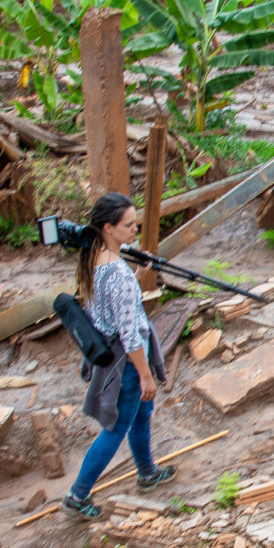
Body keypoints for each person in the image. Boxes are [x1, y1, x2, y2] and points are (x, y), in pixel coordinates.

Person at [61, 193, 173, 519]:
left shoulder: (95, 257)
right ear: (108, 228)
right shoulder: (118, 274)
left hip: (113, 355)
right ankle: (77, 496)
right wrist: (146, 375)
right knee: (115, 429)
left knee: (141, 415)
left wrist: (137, 276)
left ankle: (147, 472)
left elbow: (110, 304)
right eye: (128, 225)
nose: (135, 229)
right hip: (127, 365)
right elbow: (129, 334)